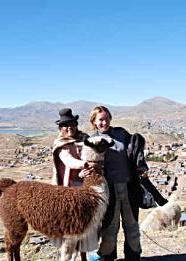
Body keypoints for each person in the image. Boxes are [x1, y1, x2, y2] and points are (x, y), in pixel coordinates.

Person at [89, 105, 142, 261]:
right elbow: (88, 163)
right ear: (94, 122)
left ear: (110, 118)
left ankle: (133, 257)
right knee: (110, 228)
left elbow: (136, 150)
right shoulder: (92, 141)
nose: (104, 123)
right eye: (100, 120)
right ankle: (108, 257)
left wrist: (141, 167)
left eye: (106, 119)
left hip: (128, 187)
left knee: (132, 226)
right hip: (108, 190)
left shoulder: (121, 134)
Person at [51, 108, 99, 261]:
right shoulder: (60, 144)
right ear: (60, 128)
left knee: (85, 224)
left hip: (85, 188)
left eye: (71, 124)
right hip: (68, 190)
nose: (69, 127)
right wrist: (86, 164)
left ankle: (84, 257)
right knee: (71, 228)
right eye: (65, 125)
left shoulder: (85, 139)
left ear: (76, 124)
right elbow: (68, 161)